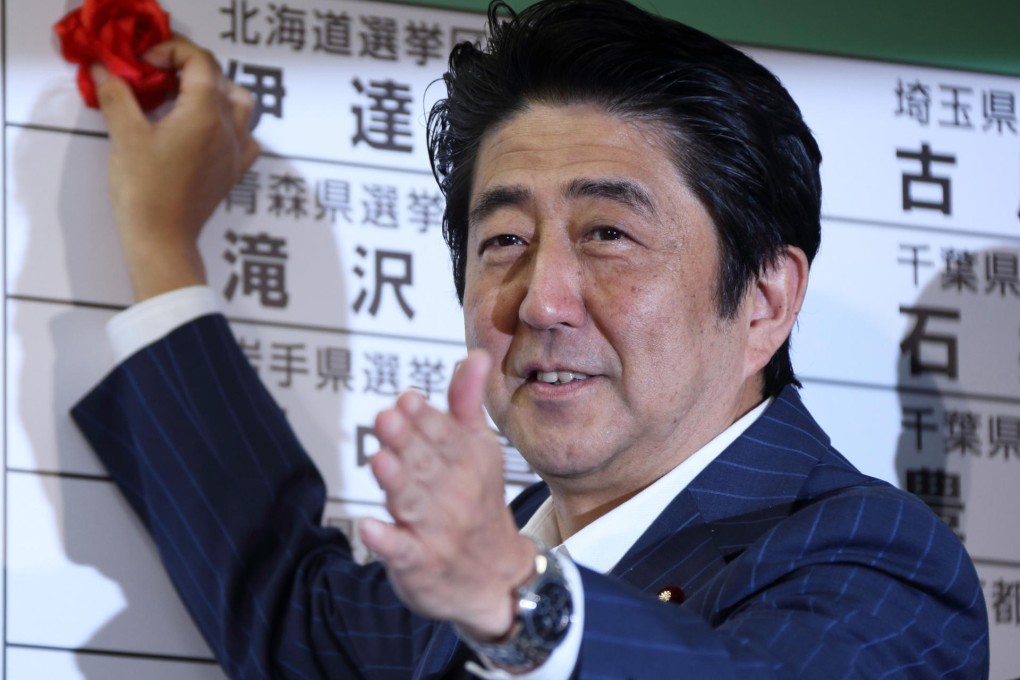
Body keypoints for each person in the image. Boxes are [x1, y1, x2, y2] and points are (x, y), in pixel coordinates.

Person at [71, 0, 990, 677]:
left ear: (763, 300)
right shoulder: (491, 558)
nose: (541, 301)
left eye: (608, 234)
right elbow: (285, 609)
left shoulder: (879, 560)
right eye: (503, 240)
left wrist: (518, 605)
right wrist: (160, 246)